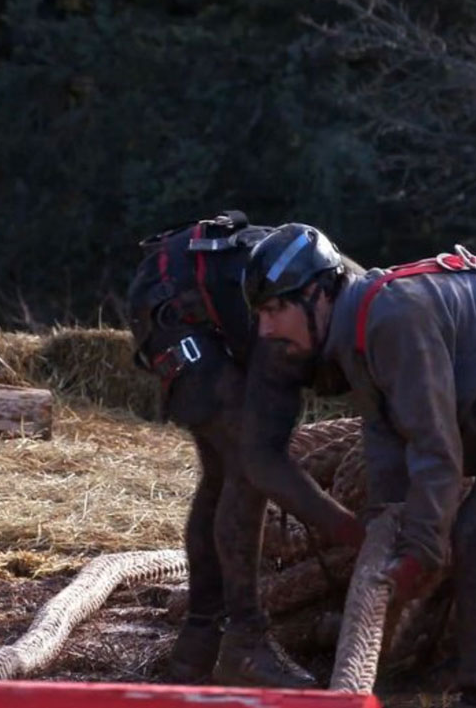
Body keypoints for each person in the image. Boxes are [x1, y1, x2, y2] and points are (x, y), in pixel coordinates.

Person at [241, 223, 476, 708]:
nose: (266, 329)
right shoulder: (359, 329)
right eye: (261, 313)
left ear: (321, 293)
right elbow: (387, 437)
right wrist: (386, 523)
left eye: (276, 308)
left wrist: (421, 548)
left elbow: (434, 447)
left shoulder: (391, 318)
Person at [126, 212, 365, 688]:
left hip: (212, 301)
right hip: (175, 304)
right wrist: (347, 527)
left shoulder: (362, 309)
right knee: (240, 466)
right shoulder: (290, 324)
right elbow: (263, 460)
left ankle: (198, 646)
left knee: (224, 474)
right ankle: (244, 643)